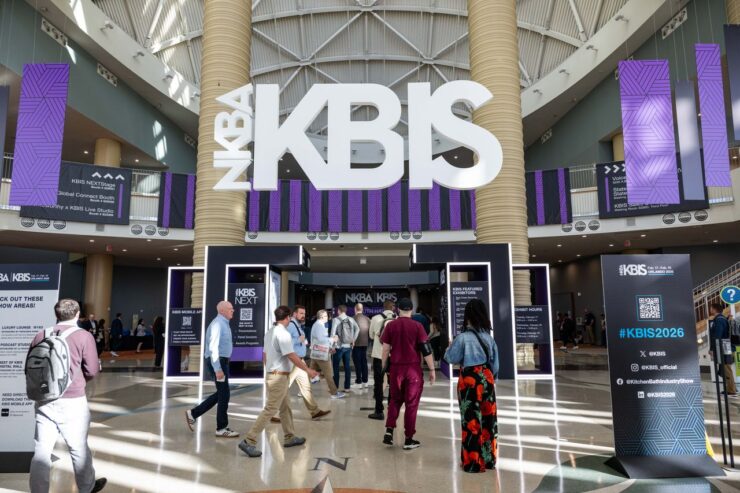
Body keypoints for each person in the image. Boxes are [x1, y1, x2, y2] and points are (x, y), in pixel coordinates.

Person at [28, 299, 107, 493]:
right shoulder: (84, 336)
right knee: (78, 448)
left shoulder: (41, 335)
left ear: (56, 314)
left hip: (44, 400)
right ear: (78, 314)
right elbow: (92, 370)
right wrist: (77, 382)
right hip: (73, 401)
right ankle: (87, 488)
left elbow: (29, 368)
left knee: (42, 451)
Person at [239, 305, 320, 457]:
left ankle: (289, 436)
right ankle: (249, 440)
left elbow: (264, 355)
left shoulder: (270, 332)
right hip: (279, 377)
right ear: (288, 317)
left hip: (274, 374)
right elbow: (292, 355)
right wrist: (308, 370)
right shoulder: (283, 334)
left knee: (285, 407)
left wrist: (269, 370)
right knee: (270, 409)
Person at [444, 299, 499, 473]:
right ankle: (489, 460)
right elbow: (496, 366)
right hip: (487, 379)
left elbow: (450, 358)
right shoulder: (489, 338)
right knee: (489, 419)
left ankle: (473, 463)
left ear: (467, 316)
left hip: (469, 380)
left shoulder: (462, 338)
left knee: (471, 420)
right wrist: (489, 380)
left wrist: (449, 347)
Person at [380, 297, 435, 450]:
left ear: (398, 309)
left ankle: (389, 431)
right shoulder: (418, 326)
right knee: (411, 404)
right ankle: (409, 439)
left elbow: (385, 349)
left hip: (396, 369)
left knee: (394, 401)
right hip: (413, 370)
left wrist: (384, 366)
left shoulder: (391, 326)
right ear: (411, 310)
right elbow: (426, 350)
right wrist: (431, 369)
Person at [185, 301, 239, 437]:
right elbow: (213, 347)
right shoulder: (218, 324)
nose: (233, 310)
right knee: (224, 395)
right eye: (230, 309)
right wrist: (218, 368)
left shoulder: (223, 323)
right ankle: (221, 428)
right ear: (222, 311)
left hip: (221, 361)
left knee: (222, 393)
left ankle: (193, 413)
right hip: (218, 362)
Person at [273, 306, 330, 423]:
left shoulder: (297, 326)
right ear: (294, 314)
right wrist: (299, 340)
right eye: (301, 313)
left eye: (304, 313)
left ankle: (315, 412)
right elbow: (284, 341)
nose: (303, 316)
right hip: (293, 361)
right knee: (284, 387)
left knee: (306, 387)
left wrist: (303, 342)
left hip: (300, 361)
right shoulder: (290, 325)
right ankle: (273, 413)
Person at [368, 300, 396, 420]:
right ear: (393, 308)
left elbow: (371, 335)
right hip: (393, 355)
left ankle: (379, 411)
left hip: (378, 355)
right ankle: (392, 408)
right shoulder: (397, 319)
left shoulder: (375, 318)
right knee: (393, 383)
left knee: (378, 383)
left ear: (383, 307)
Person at [309, 309, 345, 399]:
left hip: (316, 353)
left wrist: (329, 347)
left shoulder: (318, 325)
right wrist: (333, 339)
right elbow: (322, 340)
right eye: (326, 316)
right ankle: (334, 393)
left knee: (311, 374)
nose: (327, 317)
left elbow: (320, 340)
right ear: (321, 317)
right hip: (321, 355)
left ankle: (304, 390)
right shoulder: (319, 326)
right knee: (329, 374)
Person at [709, 303, 736, 396]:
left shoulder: (719, 320)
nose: (710, 310)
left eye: (711, 308)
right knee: (726, 369)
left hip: (724, 347)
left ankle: (731, 390)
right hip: (726, 346)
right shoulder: (723, 319)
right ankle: (731, 388)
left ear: (714, 309)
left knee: (726, 369)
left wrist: (712, 349)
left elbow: (717, 335)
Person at [331, 305, 360, 393]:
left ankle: (335, 387)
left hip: (338, 347)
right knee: (347, 366)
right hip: (348, 346)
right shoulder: (351, 319)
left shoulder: (336, 320)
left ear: (339, 311)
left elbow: (332, 334)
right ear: (346, 311)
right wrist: (353, 340)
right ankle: (347, 387)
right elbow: (357, 329)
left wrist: (332, 346)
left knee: (335, 367)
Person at [352, 303, 371, 388]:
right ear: (362, 309)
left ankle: (358, 382)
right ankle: (365, 381)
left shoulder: (352, 319)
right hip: (365, 343)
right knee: (364, 362)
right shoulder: (367, 319)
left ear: (355, 309)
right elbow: (370, 332)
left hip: (355, 343)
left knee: (357, 363)